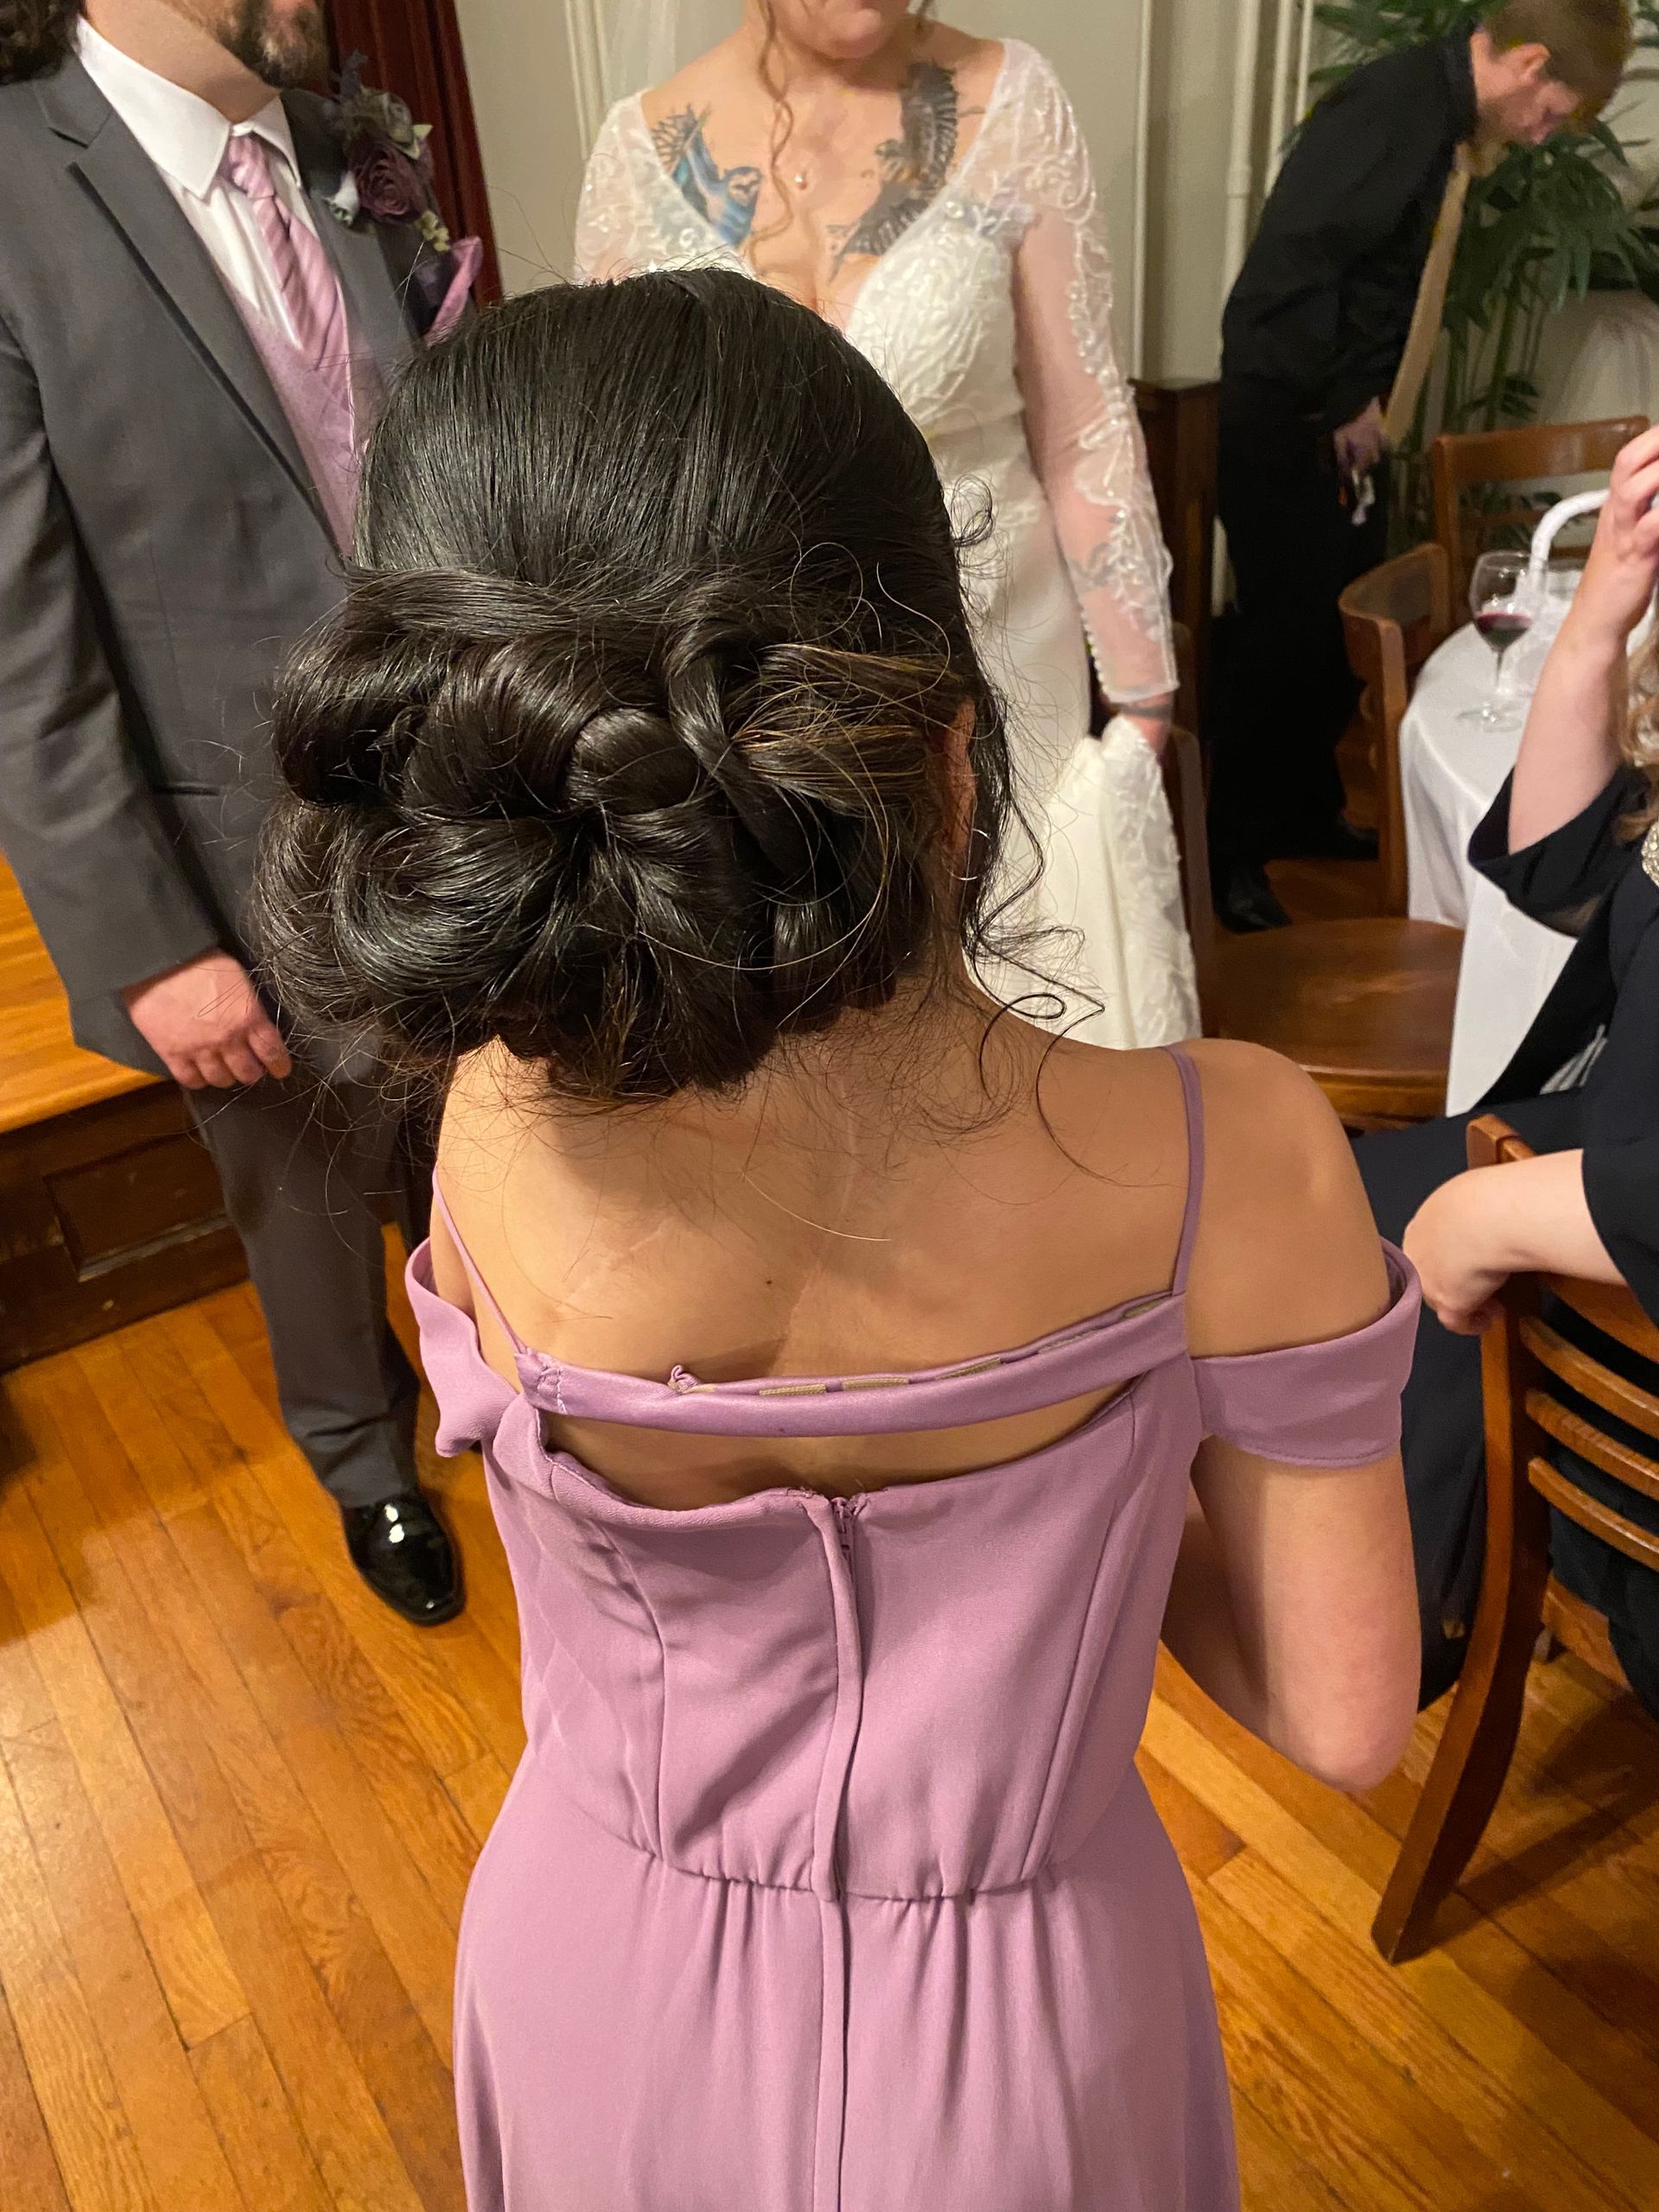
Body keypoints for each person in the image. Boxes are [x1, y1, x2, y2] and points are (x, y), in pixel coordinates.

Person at [255, 270, 1421, 2209]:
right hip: (1032, 2058)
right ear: (952, 762)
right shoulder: (1238, 1155)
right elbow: (1346, 1712)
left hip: (592, 1986)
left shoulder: (474, 1130)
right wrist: (1123, 1448)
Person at [0, 0, 477, 1622]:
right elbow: (16, 647)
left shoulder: (350, 152)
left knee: (492, 1134)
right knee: (310, 1195)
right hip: (234, 850)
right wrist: (145, 944)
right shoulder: (11, 191)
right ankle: (367, 1462)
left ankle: (515, 1380)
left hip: (466, 799)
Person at [575, 0, 1199, 1048]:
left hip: (1000, 663)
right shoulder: (639, 147)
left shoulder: (1012, 101)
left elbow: (1084, 420)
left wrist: (1142, 698)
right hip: (757, 701)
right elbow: (617, 473)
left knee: (1029, 1018)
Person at [1211, 0, 1633, 934]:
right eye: (1557, 113)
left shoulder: (1440, 126)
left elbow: (1374, 278)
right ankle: (1229, 851)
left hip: (1344, 428)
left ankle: (1297, 811)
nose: (1543, 136)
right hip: (1293, 425)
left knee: (1329, 637)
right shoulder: (1392, 110)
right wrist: (1335, 412)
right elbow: (1292, 273)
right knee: (1277, 643)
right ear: (1529, 66)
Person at [1358, 425, 1659, 1714]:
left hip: (1635, 1275)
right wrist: (1599, 615)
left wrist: (1487, 1216)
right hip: (1624, 1143)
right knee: (1361, 1196)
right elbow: (1565, 863)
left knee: (1409, 1228)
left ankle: (1409, 1616)